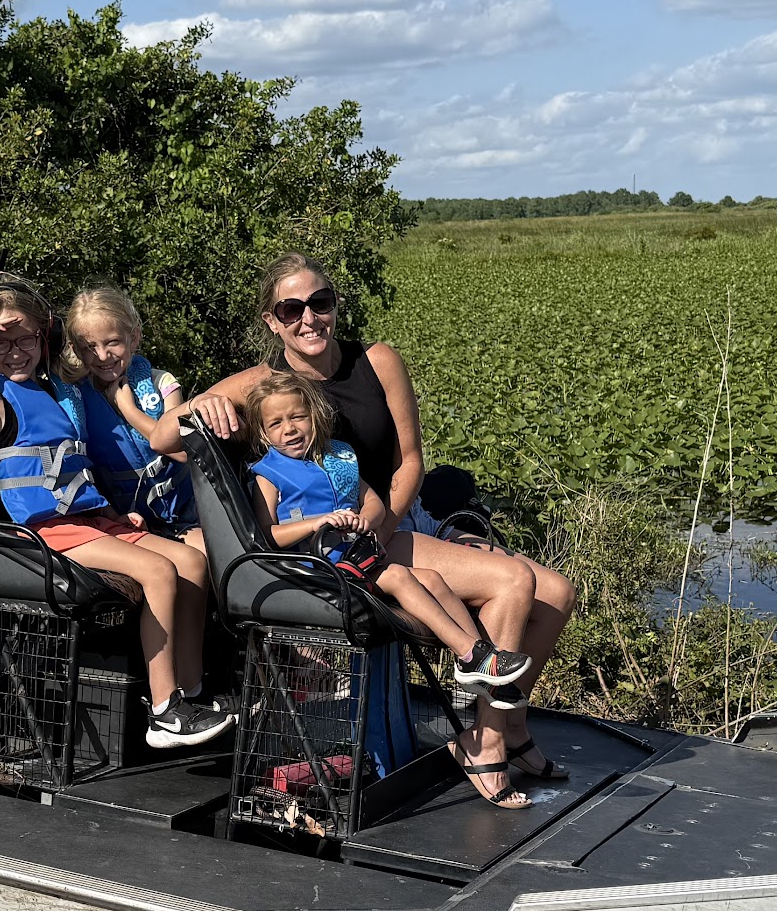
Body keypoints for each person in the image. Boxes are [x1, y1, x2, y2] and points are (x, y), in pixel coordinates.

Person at [169, 252, 578, 803]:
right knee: (515, 582)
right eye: (291, 309)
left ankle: (504, 727)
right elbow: (163, 440)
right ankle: (486, 742)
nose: (308, 318)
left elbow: (410, 460)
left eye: (320, 303)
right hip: (337, 539)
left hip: (391, 517)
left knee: (558, 592)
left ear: (335, 306)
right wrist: (208, 401)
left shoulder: (378, 360)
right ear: (272, 320)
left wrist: (381, 525)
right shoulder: (264, 383)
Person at [0, 279, 233, 751]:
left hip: (93, 519)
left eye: (23, 339)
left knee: (193, 563)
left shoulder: (57, 392)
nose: (13, 352)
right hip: (47, 529)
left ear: (42, 338)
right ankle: (164, 711)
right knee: (160, 572)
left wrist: (122, 517)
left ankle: (191, 690)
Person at [245, 373, 536, 806]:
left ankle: (478, 659)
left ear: (314, 418)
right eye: (276, 424)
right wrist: (319, 522)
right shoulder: (267, 473)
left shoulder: (337, 458)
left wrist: (364, 516)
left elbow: (374, 501)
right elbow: (269, 536)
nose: (289, 429)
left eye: (297, 417)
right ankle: (470, 654)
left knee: (432, 579)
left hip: (353, 556)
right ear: (263, 433)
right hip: (315, 569)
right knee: (399, 576)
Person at [62, 287, 200, 539]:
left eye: (112, 342)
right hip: (122, 520)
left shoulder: (163, 384)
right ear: (75, 348)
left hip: (185, 516)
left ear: (133, 337)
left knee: (205, 556)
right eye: (89, 347)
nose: (103, 355)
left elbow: (183, 452)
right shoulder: (75, 399)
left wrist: (129, 410)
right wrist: (113, 516)